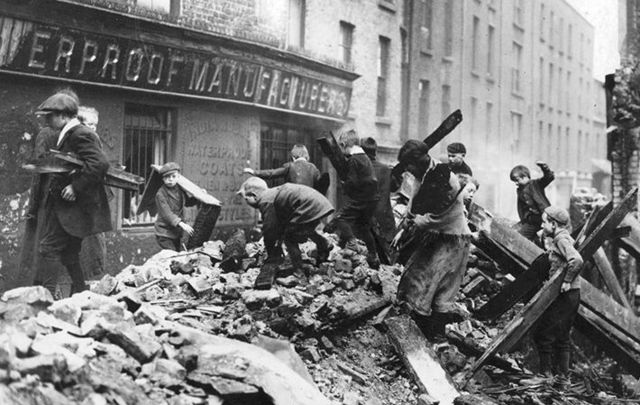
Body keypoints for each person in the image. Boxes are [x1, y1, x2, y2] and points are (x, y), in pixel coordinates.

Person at [34, 90, 112, 296]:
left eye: (49, 116)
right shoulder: (68, 133)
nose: (47, 120)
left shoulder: (80, 133)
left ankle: (47, 299)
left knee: (48, 249)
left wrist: (75, 187)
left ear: (62, 115)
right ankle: (80, 293)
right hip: (69, 208)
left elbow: (99, 163)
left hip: (75, 207)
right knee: (69, 254)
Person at [392, 140, 471, 339]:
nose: (408, 171)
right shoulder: (423, 174)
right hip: (436, 235)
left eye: (409, 166)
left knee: (438, 286)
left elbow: (440, 215)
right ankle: (418, 329)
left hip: (452, 238)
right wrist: (404, 227)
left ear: (418, 162)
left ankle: (435, 337)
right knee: (417, 278)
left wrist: (416, 224)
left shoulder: (444, 179)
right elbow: (415, 204)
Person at [533, 206, 583, 390]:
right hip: (572, 296)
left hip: (565, 295)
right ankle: (563, 378)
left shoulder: (561, 239)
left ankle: (545, 375)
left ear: (553, 224)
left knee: (543, 334)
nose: (541, 224)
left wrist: (567, 280)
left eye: (544, 221)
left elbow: (576, 260)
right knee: (562, 336)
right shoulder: (561, 237)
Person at [237, 177, 334, 272]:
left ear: (253, 195)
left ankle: (298, 270)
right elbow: (280, 223)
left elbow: (269, 229)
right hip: (318, 203)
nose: (247, 203)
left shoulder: (266, 200)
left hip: (308, 205)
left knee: (290, 237)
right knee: (303, 229)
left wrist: (271, 254)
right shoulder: (273, 194)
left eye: (246, 199)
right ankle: (323, 244)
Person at [334, 129, 380, 268]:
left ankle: (352, 243)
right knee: (363, 226)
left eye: (342, 148)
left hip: (361, 198)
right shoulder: (364, 157)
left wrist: (345, 184)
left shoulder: (354, 160)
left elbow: (352, 181)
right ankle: (373, 256)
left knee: (340, 218)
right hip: (372, 198)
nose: (342, 152)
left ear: (344, 144)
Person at [361, 137, 396, 253]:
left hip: (364, 221)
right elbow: (390, 191)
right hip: (384, 222)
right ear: (375, 151)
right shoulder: (385, 169)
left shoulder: (358, 169)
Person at [154, 162, 197, 251]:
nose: (170, 179)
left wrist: (199, 196)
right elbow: (167, 214)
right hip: (164, 233)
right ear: (163, 179)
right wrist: (182, 224)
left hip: (176, 232)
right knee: (172, 255)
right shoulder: (160, 194)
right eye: (167, 177)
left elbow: (188, 202)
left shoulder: (180, 190)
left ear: (178, 177)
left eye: (173, 176)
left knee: (177, 256)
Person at [510, 161, 555, 242]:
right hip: (532, 220)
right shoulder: (520, 190)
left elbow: (549, 177)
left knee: (550, 237)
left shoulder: (536, 184)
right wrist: (524, 219)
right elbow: (521, 208)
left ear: (525, 177)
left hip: (544, 218)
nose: (516, 183)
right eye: (514, 181)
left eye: (517, 180)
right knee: (514, 233)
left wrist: (544, 167)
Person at [243, 144, 321, 189]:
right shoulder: (313, 168)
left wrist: (254, 172)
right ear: (306, 155)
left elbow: (272, 173)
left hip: (293, 199)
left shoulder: (290, 166)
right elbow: (320, 185)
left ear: (293, 156)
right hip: (310, 201)